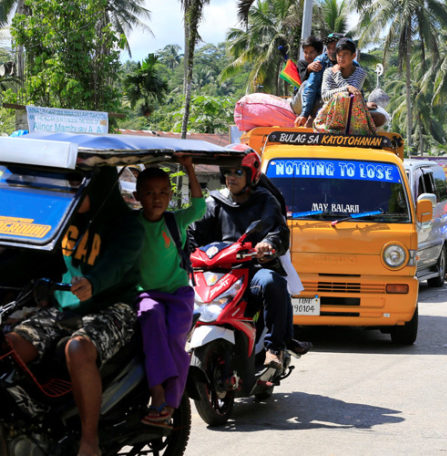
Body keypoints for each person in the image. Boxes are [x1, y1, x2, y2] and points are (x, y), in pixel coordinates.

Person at [4, 167, 144, 456]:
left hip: (113, 306)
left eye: (76, 182)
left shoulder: (127, 224)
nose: (70, 189)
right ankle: (28, 420)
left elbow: (116, 264)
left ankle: (89, 441)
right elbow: (32, 257)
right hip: (66, 306)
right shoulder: (62, 220)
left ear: (99, 186)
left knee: (77, 349)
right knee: (11, 345)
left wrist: (94, 282)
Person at [190, 152, 311, 370]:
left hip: (253, 269)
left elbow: (277, 232)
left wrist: (268, 245)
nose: (231, 177)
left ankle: (274, 349)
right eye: (227, 172)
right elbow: (194, 234)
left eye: (238, 172)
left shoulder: (265, 201)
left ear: (251, 175)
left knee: (272, 282)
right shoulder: (214, 202)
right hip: (218, 272)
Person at [133, 158, 203, 429]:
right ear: (138, 196)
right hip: (145, 294)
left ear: (171, 195)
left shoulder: (176, 221)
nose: (157, 198)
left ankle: (171, 403)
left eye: (163, 192)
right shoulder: (131, 224)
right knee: (151, 316)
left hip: (178, 293)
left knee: (175, 337)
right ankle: (157, 393)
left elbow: (198, 205)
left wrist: (190, 168)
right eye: (149, 193)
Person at [314, 37, 374, 135]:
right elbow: (325, 96)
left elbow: (353, 94)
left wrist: (337, 75)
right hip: (331, 115)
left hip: (351, 116)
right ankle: (334, 130)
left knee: (350, 97)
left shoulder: (360, 73)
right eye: (339, 55)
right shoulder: (328, 72)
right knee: (341, 96)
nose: (341, 58)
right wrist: (346, 88)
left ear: (353, 56)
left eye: (345, 55)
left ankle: (356, 133)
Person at [294, 32, 345, 128]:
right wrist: (305, 114)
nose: (331, 51)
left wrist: (364, 101)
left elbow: (355, 87)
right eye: (329, 47)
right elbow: (311, 87)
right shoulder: (319, 62)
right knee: (306, 84)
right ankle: (310, 115)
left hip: (334, 101)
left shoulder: (353, 64)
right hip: (312, 99)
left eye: (335, 48)